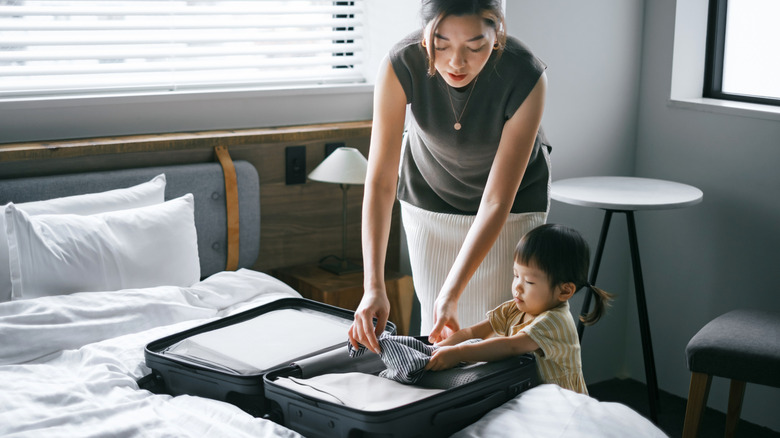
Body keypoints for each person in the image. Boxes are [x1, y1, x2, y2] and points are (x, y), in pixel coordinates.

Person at [349, 0, 552, 355]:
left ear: (498, 33)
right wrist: (373, 287)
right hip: (430, 199)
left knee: (499, 338)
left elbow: (496, 200)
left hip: (510, 209)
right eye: (440, 45)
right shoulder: (402, 63)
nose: (456, 62)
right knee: (440, 333)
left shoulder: (526, 75)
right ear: (425, 36)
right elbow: (381, 181)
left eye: (475, 47)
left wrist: (452, 292)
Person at [423, 224, 613, 395]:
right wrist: (436, 350)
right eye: (516, 275)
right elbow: (472, 332)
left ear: (565, 290)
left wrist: (459, 353)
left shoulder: (555, 321)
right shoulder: (515, 308)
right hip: (532, 394)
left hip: (561, 400)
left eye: (529, 281)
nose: (517, 287)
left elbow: (511, 345)